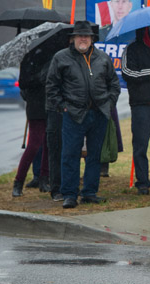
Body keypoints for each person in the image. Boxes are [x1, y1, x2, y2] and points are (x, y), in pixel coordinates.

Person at [46, 21, 120, 209]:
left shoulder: (102, 58)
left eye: (86, 36)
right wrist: (63, 107)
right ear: (73, 38)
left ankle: (89, 192)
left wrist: (109, 104)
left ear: (92, 39)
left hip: (99, 113)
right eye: (79, 36)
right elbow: (51, 86)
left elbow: (114, 84)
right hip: (73, 114)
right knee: (69, 155)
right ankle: (69, 194)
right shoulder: (60, 58)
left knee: (95, 155)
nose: (83, 39)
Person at [121, 24, 150, 195]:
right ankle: (143, 182)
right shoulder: (132, 48)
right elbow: (127, 72)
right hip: (141, 105)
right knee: (141, 146)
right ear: (145, 30)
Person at [12, 58, 50, 197]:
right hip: (36, 107)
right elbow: (23, 84)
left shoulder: (54, 56)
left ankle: (44, 179)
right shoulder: (30, 59)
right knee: (34, 145)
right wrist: (41, 77)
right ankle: (18, 181)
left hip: (51, 105)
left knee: (48, 144)